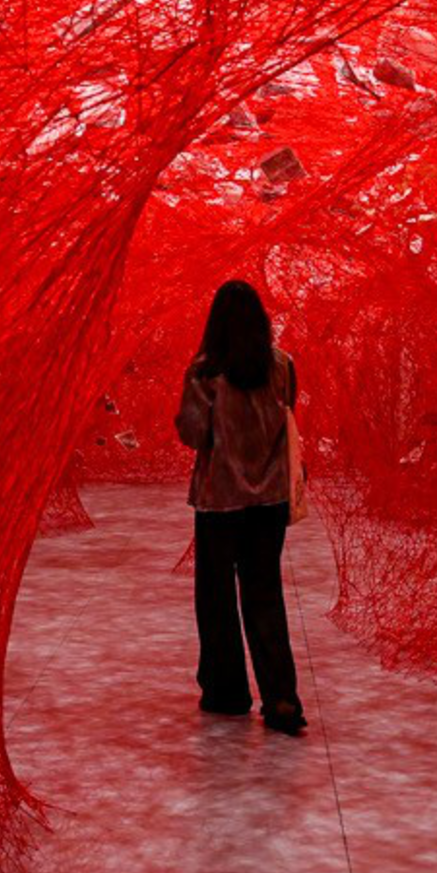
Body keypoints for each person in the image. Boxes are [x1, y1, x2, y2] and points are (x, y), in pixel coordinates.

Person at [174, 280, 305, 735]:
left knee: (215, 598)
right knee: (264, 593)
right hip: (269, 499)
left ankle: (226, 691)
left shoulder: (206, 372)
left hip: (220, 501)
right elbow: (289, 419)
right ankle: (281, 697)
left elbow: (192, 434)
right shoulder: (282, 366)